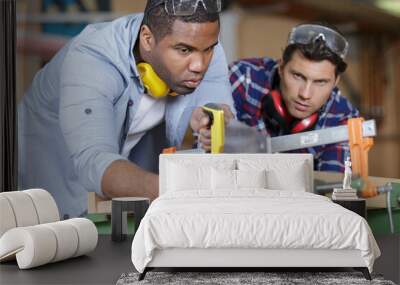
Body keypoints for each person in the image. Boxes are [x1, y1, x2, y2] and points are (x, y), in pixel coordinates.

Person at [18, 0, 234, 218]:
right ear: (147, 39)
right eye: (184, 50)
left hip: (124, 180)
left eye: (208, 50)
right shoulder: (91, 61)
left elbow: (214, 103)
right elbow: (95, 162)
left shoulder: (202, 43)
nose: (199, 65)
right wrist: (181, 192)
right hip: (48, 180)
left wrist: (205, 116)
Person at [229, 23, 359, 172]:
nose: (305, 94)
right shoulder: (244, 79)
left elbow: (332, 187)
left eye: (320, 82)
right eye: (298, 76)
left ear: (335, 82)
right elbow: (206, 156)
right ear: (281, 67)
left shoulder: (343, 118)